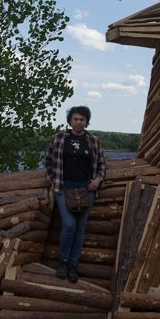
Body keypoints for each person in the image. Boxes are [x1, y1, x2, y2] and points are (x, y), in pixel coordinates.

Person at [44, 105, 106, 283]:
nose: (79, 122)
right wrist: (52, 179)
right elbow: (48, 161)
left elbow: (101, 164)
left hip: (87, 190)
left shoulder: (94, 141)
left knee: (80, 228)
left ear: (86, 121)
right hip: (64, 189)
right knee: (69, 225)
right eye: (75, 119)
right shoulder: (59, 139)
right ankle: (63, 262)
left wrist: (98, 180)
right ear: (70, 121)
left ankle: (73, 265)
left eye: (82, 119)